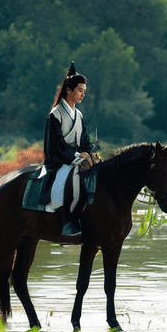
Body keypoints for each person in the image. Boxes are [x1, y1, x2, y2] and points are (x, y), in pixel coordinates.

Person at [42, 61, 96, 234]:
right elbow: (57, 145)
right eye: (80, 90)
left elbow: (85, 139)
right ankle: (66, 221)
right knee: (73, 178)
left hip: (77, 158)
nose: (82, 95)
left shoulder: (78, 114)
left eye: (84, 92)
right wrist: (78, 157)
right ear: (69, 90)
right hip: (60, 160)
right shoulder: (55, 114)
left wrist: (88, 154)